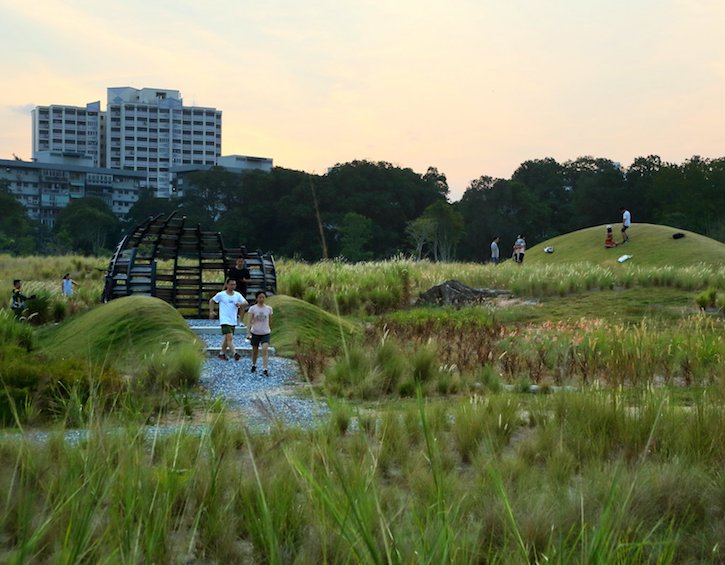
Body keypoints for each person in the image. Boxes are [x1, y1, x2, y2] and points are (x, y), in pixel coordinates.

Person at [209, 278, 248, 361]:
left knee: (227, 338)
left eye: (234, 284)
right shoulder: (221, 295)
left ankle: (221, 354)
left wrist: (240, 304)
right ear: (227, 285)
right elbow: (211, 301)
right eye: (231, 284)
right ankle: (235, 353)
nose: (232, 286)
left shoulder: (237, 295)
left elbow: (246, 303)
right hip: (224, 319)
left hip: (233, 320)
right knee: (230, 337)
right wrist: (211, 311)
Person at [246, 290, 273, 376]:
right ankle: (254, 364)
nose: (261, 299)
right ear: (257, 298)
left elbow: (270, 321)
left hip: (265, 332)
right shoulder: (253, 308)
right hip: (255, 332)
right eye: (260, 297)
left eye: (263, 297)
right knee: (255, 351)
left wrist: (270, 329)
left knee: (265, 349)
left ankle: (265, 368)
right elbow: (249, 321)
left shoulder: (269, 309)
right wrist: (248, 333)